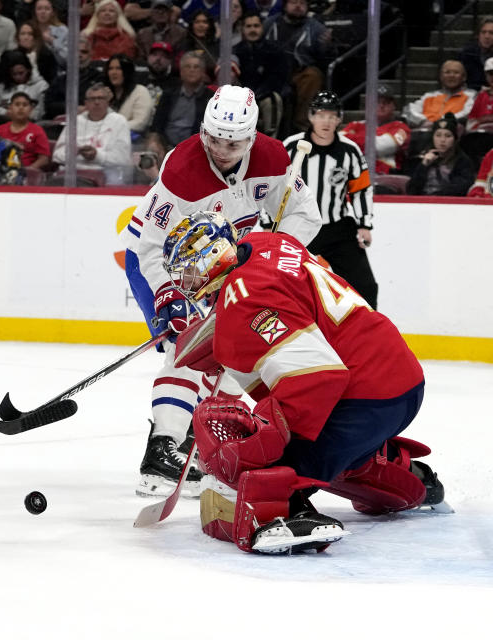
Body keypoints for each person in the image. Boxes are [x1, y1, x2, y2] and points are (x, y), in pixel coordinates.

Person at [163, 211, 445, 554]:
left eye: (190, 270)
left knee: (262, 472)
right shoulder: (265, 242)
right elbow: (278, 299)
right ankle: (417, 479)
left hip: (362, 397)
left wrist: (263, 432)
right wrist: (223, 326)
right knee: (343, 459)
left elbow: (316, 379)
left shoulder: (245, 301)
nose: (187, 281)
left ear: (213, 258)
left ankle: (278, 517)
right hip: (396, 378)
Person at [119, 84, 321, 498]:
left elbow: (305, 214)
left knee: (234, 356)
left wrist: (275, 253)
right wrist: (167, 294)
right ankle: (162, 452)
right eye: (214, 139)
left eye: (233, 142)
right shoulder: (182, 170)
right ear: (202, 130)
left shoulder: (273, 158)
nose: (222, 149)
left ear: (251, 137)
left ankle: (197, 445)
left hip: (225, 264)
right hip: (163, 261)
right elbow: (151, 246)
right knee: (190, 349)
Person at [282, 91, 377, 309]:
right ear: (311, 116)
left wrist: (364, 224)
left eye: (332, 116)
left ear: (339, 119)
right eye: (321, 115)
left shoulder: (349, 151)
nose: (326, 121)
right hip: (298, 226)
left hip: (338, 229)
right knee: (286, 284)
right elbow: (274, 185)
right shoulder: (291, 146)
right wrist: (270, 223)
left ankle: (368, 336)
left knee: (365, 286)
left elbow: (361, 189)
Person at [263, 0, 332, 131]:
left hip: (300, 72)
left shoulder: (316, 27)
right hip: (273, 72)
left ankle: (302, 126)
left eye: (302, 3)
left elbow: (324, 58)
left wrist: (327, 46)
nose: (298, 6)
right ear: (285, 6)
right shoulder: (270, 24)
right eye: (294, 2)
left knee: (313, 76)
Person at [52, 82, 133, 184]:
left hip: (105, 171)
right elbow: (56, 155)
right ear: (86, 103)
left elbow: (123, 158)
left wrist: (96, 155)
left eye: (101, 98)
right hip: (74, 171)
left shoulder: (119, 121)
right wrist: (74, 151)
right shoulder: (75, 121)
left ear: (108, 102)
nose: (97, 102)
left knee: (114, 180)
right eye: (92, 99)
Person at [233, 11, 288, 136]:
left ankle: (271, 139)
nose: (253, 30)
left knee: (272, 99)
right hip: (242, 95)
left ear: (262, 28)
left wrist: (259, 94)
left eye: (256, 26)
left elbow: (278, 77)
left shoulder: (275, 50)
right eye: (249, 26)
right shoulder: (235, 51)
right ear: (242, 29)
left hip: (266, 93)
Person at [342, 85, 411, 174]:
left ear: (394, 106)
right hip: (354, 174)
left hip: (384, 177)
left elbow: (377, 147)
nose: (381, 105)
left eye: (386, 102)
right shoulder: (355, 125)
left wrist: (353, 138)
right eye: (377, 102)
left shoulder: (401, 128)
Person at [151, 52, 214, 147]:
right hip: (165, 146)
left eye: (196, 67)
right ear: (181, 72)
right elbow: (156, 126)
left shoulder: (210, 98)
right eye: (187, 66)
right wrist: (155, 143)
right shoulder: (169, 94)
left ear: (203, 72)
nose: (192, 70)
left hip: (195, 147)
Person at [408, 112, 474, 197]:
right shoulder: (423, 157)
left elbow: (460, 189)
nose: (442, 140)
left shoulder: (463, 161)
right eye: (438, 135)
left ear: (455, 139)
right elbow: (411, 190)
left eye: (448, 136)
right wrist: (423, 165)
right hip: (422, 203)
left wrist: (435, 197)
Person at [403, 60, 476, 128]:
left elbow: (467, 113)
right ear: (441, 76)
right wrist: (423, 121)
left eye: (456, 72)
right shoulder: (429, 96)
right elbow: (410, 110)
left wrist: (439, 122)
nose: (451, 75)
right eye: (447, 72)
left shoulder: (472, 95)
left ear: (464, 77)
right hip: (425, 131)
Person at [0, 50, 48, 121]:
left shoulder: (41, 86)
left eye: (21, 73)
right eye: (14, 74)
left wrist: (24, 115)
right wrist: (6, 113)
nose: (18, 77)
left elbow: (41, 110)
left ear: (28, 70)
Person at [0, 91, 51, 170]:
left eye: (25, 105)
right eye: (17, 104)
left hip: (27, 176)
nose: (21, 108)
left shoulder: (37, 130)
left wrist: (28, 171)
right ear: (10, 108)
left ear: (30, 109)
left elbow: (44, 159)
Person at [104, 53, 154, 134]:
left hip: (135, 140)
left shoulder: (140, 91)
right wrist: (105, 103)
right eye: (110, 68)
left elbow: (140, 123)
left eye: (118, 68)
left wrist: (111, 128)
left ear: (127, 71)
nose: (114, 72)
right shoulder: (104, 93)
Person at [457, 15, 493, 91]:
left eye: (491, 33)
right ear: (478, 35)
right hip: (472, 93)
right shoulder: (467, 53)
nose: (487, 36)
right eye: (483, 32)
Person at [466, 57, 493, 131]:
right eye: (491, 74)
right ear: (486, 75)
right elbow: (470, 123)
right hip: (481, 136)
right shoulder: (480, 96)